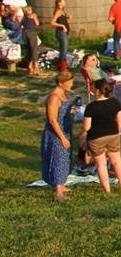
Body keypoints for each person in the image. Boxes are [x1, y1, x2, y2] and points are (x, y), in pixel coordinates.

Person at [81, 78, 121, 193]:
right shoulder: (115, 103)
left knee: (101, 164)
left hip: (96, 137)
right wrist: (118, 132)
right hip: (113, 134)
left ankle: (107, 190)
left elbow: (87, 127)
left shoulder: (91, 107)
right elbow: (120, 122)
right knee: (117, 161)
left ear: (97, 90)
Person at [41, 69, 76, 201]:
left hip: (65, 129)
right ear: (61, 83)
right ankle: (58, 191)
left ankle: (61, 184)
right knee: (57, 158)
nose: (71, 84)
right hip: (56, 133)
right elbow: (52, 119)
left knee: (64, 158)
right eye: (69, 82)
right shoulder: (54, 97)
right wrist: (62, 137)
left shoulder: (63, 94)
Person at [21, 5, 41, 76]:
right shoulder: (33, 15)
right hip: (31, 32)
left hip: (24, 33)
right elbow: (37, 23)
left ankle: (29, 66)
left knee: (29, 49)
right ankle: (36, 66)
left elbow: (20, 26)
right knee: (34, 49)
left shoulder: (23, 18)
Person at [50, 0, 70, 66]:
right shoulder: (58, 11)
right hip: (61, 32)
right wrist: (62, 26)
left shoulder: (63, 11)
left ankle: (62, 64)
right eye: (63, 1)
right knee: (64, 50)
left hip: (65, 33)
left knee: (64, 49)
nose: (65, 2)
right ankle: (62, 65)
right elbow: (52, 22)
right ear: (59, 3)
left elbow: (63, 22)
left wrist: (68, 19)